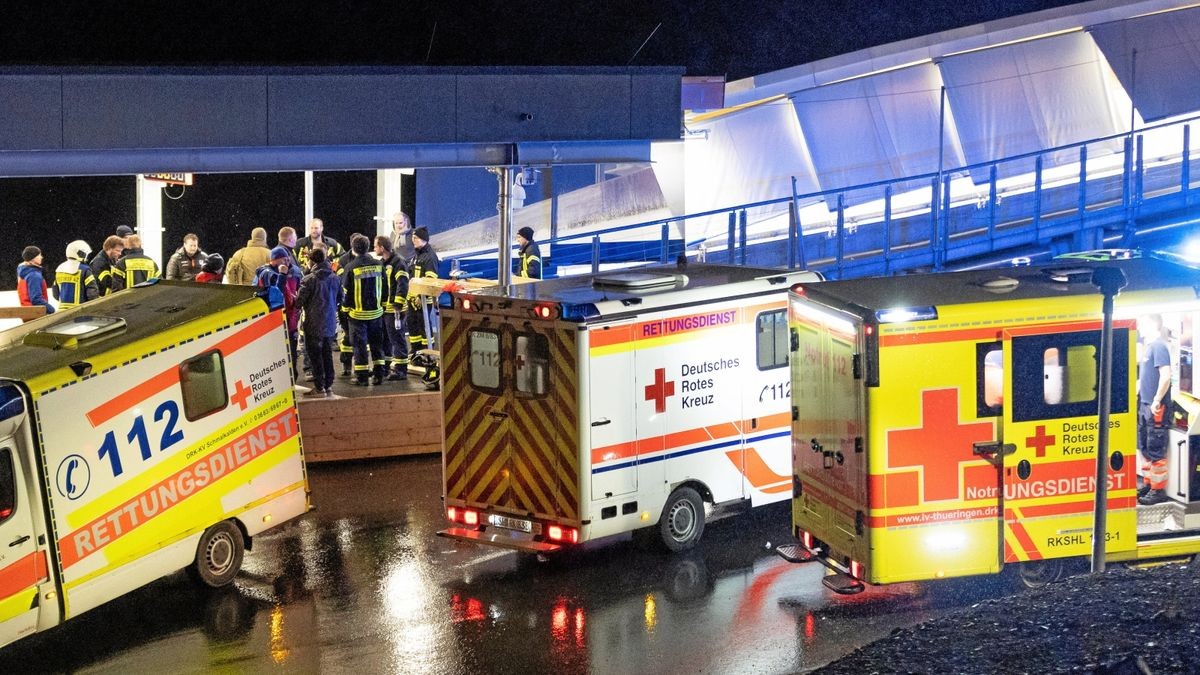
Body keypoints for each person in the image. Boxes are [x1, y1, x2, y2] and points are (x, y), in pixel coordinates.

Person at [341, 234, 388, 386]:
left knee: (359, 346)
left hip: (357, 315)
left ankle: (362, 377)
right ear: (368, 247)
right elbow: (385, 287)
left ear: (353, 249)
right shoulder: (379, 264)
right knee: (377, 344)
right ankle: (379, 375)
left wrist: (345, 309)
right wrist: (383, 305)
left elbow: (346, 292)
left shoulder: (350, 267)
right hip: (377, 313)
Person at [296, 248, 343, 398]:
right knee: (327, 353)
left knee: (315, 356)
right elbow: (341, 298)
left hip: (313, 323)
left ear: (311, 261)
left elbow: (299, 302)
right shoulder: (335, 278)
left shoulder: (308, 280)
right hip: (329, 323)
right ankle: (328, 386)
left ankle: (319, 387)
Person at [1138, 314, 1173, 506]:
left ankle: (1158, 491)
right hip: (1145, 405)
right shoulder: (1149, 347)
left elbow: (1165, 376)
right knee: (1144, 447)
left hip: (1155, 406)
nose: (1140, 327)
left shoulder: (1159, 346)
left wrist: (1157, 400)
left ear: (1152, 324)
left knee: (1155, 447)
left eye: (1143, 323)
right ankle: (1149, 484)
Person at [256, 246, 303, 381]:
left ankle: (292, 380)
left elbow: (299, 289)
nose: (288, 262)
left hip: (291, 320)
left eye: (288, 259)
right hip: (274, 321)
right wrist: (282, 275)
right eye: (284, 260)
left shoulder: (295, 272)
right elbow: (277, 292)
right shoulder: (266, 274)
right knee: (276, 354)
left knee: (292, 353)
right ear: (274, 261)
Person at [375, 235, 409, 380]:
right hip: (385, 309)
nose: (374, 249)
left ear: (382, 248)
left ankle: (401, 370)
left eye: (375, 246)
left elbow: (403, 285)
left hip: (395, 310)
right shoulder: (383, 263)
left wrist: (398, 305)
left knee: (397, 338)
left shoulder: (398, 263)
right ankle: (387, 368)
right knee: (386, 340)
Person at [407, 226, 440, 354]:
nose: (413, 240)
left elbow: (430, 281)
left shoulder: (429, 257)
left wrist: (421, 297)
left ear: (423, 239)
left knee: (424, 327)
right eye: (412, 238)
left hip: (422, 300)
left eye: (415, 238)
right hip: (412, 298)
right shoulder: (417, 255)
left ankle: (427, 353)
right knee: (412, 325)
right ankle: (415, 351)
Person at [335, 236, 360, 376]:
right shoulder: (344, 260)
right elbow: (341, 282)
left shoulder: (365, 259)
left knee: (358, 337)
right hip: (346, 305)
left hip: (360, 306)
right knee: (347, 336)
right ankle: (346, 365)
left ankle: (359, 365)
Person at [53, 240, 99, 308]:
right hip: (80, 312)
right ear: (80, 253)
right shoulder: (85, 270)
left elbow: (55, 294)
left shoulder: (59, 269)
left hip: (62, 312)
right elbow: (92, 293)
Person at [16, 246, 54, 314]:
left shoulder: (24, 272)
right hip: (36, 314)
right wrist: (51, 310)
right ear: (33, 258)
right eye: (39, 255)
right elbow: (36, 300)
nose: (41, 257)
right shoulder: (33, 275)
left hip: (27, 312)